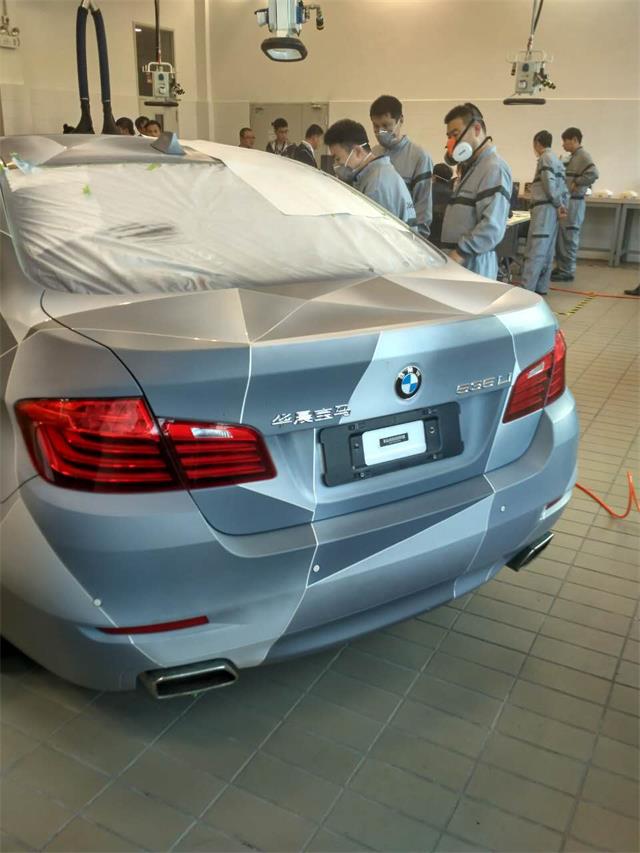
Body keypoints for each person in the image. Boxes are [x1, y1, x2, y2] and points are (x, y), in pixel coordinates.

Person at [440, 102, 512, 279]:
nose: (452, 143)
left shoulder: (493, 168)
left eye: (455, 135)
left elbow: (492, 227)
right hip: (460, 265)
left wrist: (460, 253)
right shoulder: (472, 168)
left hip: (473, 266)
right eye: (449, 137)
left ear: (477, 129)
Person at [324, 119, 417, 228]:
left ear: (357, 151)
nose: (336, 165)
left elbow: (375, 233)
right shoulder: (375, 174)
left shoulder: (376, 185)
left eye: (338, 159)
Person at [370, 95, 434, 238]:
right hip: (376, 235)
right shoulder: (372, 155)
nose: (380, 132)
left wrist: (417, 242)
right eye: (376, 126)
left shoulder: (419, 157)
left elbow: (423, 209)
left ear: (400, 120)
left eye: (386, 125)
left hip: (405, 238)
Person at [521, 131, 568, 295]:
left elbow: (549, 184)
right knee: (547, 251)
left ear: (537, 143)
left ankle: (527, 289)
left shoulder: (545, 158)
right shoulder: (558, 161)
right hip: (553, 210)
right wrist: (561, 205)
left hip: (544, 209)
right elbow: (563, 187)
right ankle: (541, 287)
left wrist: (556, 203)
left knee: (536, 250)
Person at [552, 127, 599, 282]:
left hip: (575, 203)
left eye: (565, 141)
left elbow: (593, 174)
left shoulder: (583, 156)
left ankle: (567, 271)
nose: (563, 145)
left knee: (570, 237)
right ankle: (561, 267)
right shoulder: (573, 157)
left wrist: (577, 182)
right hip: (568, 202)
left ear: (574, 140)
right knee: (563, 237)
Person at [430, 163, 454, 248]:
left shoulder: (427, 191)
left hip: (427, 233)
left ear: (433, 176)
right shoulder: (454, 194)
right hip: (444, 236)